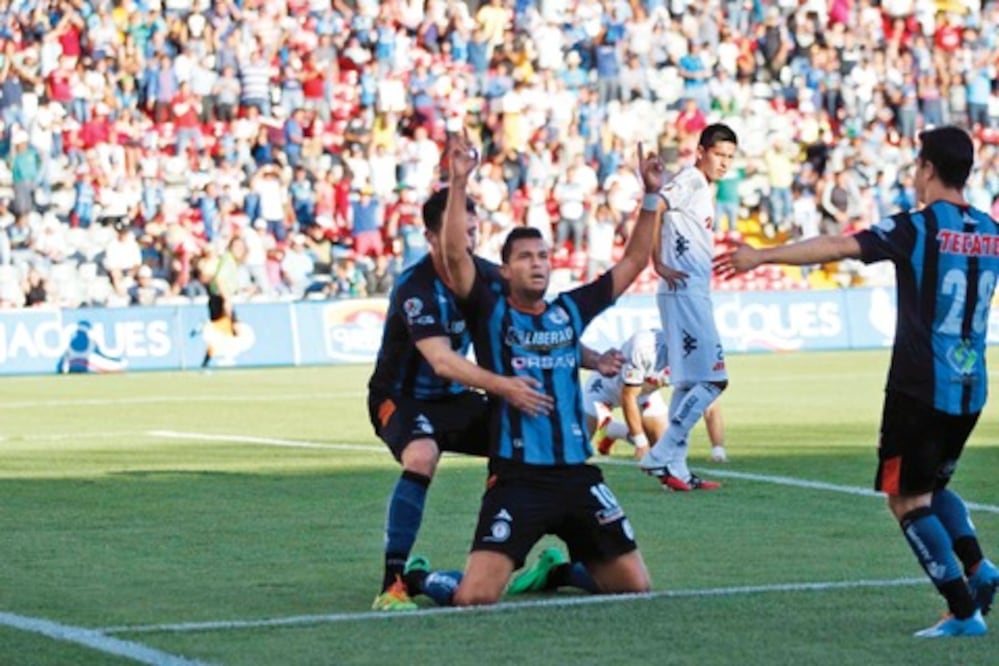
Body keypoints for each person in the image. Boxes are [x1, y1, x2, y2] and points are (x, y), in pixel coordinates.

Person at [715, 126, 999, 638]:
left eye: (917, 164)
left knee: (906, 500)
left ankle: (962, 609)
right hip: (972, 384)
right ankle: (980, 568)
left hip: (918, 388)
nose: (915, 174)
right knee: (934, 488)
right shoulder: (990, 229)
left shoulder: (917, 227)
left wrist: (761, 255)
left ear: (929, 169)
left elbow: (838, 246)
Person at [404, 132, 663, 608]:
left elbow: (633, 261)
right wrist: (459, 181)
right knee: (474, 599)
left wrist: (650, 196)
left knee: (635, 588)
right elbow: (455, 255)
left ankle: (558, 571)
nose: (537, 264)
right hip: (519, 479)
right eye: (524, 257)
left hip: (577, 477)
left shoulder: (570, 310)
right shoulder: (489, 309)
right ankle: (424, 580)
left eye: (543, 256)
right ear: (505, 271)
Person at [367, 187, 621, 611]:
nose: (465, 240)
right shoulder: (415, 287)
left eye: (472, 230)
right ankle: (393, 579)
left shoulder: (489, 278)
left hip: (455, 397)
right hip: (402, 399)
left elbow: (536, 335)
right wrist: (502, 386)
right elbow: (441, 360)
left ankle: (561, 565)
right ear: (431, 237)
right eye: (456, 231)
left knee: (541, 431)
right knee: (423, 455)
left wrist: (594, 359)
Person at [638, 123, 739, 491]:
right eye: (719, 155)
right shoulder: (691, 180)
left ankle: (676, 470)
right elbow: (655, 207)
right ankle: (661, 452)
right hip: (684, 291)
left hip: (686, 290)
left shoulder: (704, 188)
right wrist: (657, 262)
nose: (725, 164)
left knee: (687, 381)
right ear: (701, 152)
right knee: (714, 379)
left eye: (730, 157)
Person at [584, 328, 728, 463]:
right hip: (604, 388)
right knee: (578, 449)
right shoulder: (644, 347)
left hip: (644, 393)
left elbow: (708, 400)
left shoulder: (694, 358)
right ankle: (615, 430)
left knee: (662, 449)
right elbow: (627, 396)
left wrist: (718, 450)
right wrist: (640, 443)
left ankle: (612, 430)